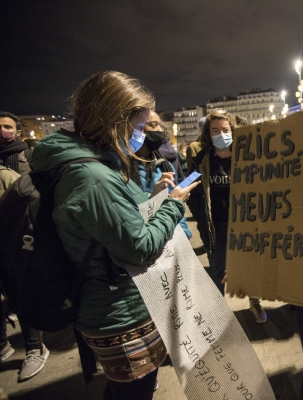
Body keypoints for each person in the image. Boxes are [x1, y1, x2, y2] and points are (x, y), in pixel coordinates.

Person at [31, 70, 198, 400]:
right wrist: (173, 206)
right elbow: (138, 247)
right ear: (112, 120)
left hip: (121, 302)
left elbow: (115, 223)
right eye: (137, 126)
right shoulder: (93, 176)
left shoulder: (93, 163)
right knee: (133, 392)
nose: (140, 135)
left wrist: (153, 199)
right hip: (118, 313)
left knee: (134, 387)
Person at [192, 110, 267, 323]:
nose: (221, 134)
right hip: (216, 226)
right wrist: (200, 218)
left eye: (225, 130)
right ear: (208, 134)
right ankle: (217, 313)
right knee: (217, 269)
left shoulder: (246, 157)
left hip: (244, 225)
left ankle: (254, 302)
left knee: (248, 265)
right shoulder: (203, 160)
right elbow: (189, 187)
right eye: (215, 130)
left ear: (233, 131)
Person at [0, 111, 49, 381]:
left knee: (24, 290)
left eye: (7, 126)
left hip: (26, 235)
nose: (3, 131)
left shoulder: (26, 157)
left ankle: (35, 347)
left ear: (17, 131)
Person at [129, 131, 193, 239]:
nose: (158, 130)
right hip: (147, 237)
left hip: (171, 233)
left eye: (159, 125)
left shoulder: (166, 166)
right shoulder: (124, 171)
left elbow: (175, 203)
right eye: (152, 125)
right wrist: (154, 198)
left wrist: (183, 231)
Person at [143, 111, 185, 181]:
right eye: (153, 125)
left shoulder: (164, 163)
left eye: (159, 125)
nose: (160, 130)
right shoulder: (129, 167)